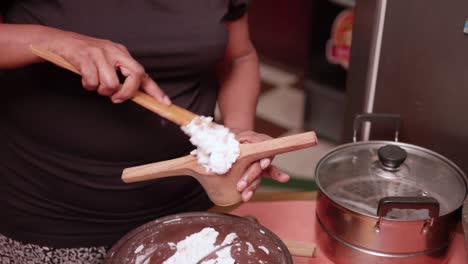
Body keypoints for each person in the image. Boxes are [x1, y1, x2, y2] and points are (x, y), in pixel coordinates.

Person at [0, 0, 291, 263]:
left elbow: (238, 57)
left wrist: (234, 134)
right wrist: (53, 41)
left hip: (186, 215)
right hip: (50, 219)